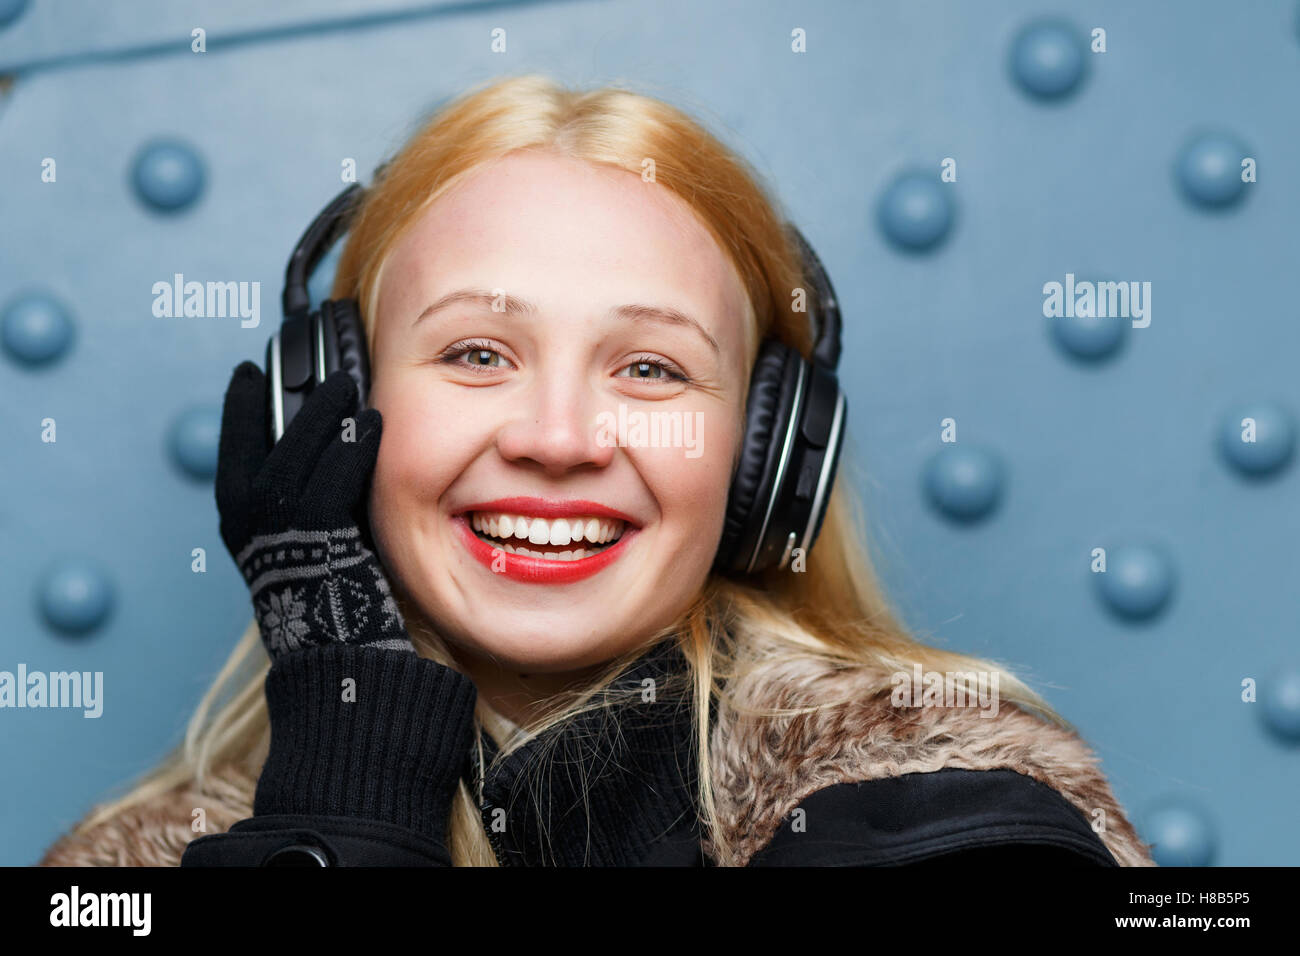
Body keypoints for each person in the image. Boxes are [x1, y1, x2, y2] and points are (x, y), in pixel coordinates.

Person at [38, 74, 1154, 867]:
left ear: (764, 453)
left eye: (651, 368)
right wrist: (346, 766)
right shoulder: (131, 864)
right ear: (334, 400)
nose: (560, 436)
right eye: (478, 353)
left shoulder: (943, 808)